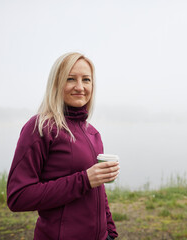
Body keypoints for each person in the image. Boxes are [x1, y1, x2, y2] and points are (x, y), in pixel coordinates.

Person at [7, 52, 120, 240]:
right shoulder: (40, 127)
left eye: (86, 79)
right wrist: (84, 180)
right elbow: (18, 196)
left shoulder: (93, 133)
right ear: (57, 83)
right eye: (70, 79)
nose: (80, 87)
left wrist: (110, 231)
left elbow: (97, 187)